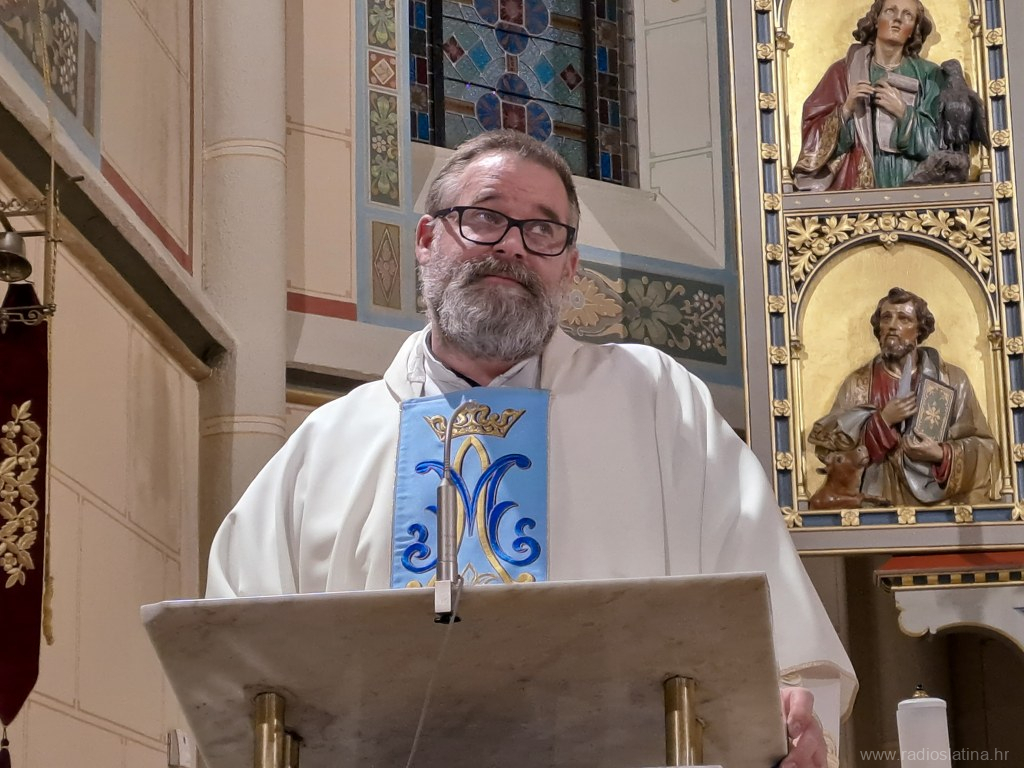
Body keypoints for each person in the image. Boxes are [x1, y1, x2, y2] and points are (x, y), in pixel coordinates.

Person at [207, 130, 856, 767]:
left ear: (569, 267)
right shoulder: (328, 444)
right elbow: (239, 663)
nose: (512, 245)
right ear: (427, 240)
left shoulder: (656, 400)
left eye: (543, 230)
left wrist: (792, 718)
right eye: (485, 217)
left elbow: (772, 634)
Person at [809, 287, 999, 505]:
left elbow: (984, 447)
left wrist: (941, 454)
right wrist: (882, 422)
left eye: (904, 319)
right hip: (874, 502)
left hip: (936, 509)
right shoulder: (857, 384)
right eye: (886, 318)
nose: (892, 325)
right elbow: (830, 452)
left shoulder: (952, 380)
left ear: (919, 329)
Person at [792, 0, 941, 191]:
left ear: (913, 30)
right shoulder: (843, 72)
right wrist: (846, 110)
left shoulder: (929, 75)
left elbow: (940, 143)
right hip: (857, 177)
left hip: (910, 177)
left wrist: (904, 114)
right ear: (876, 20)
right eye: (890, 11)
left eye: (908, 15)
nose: (897, 19)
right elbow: (812, 134)